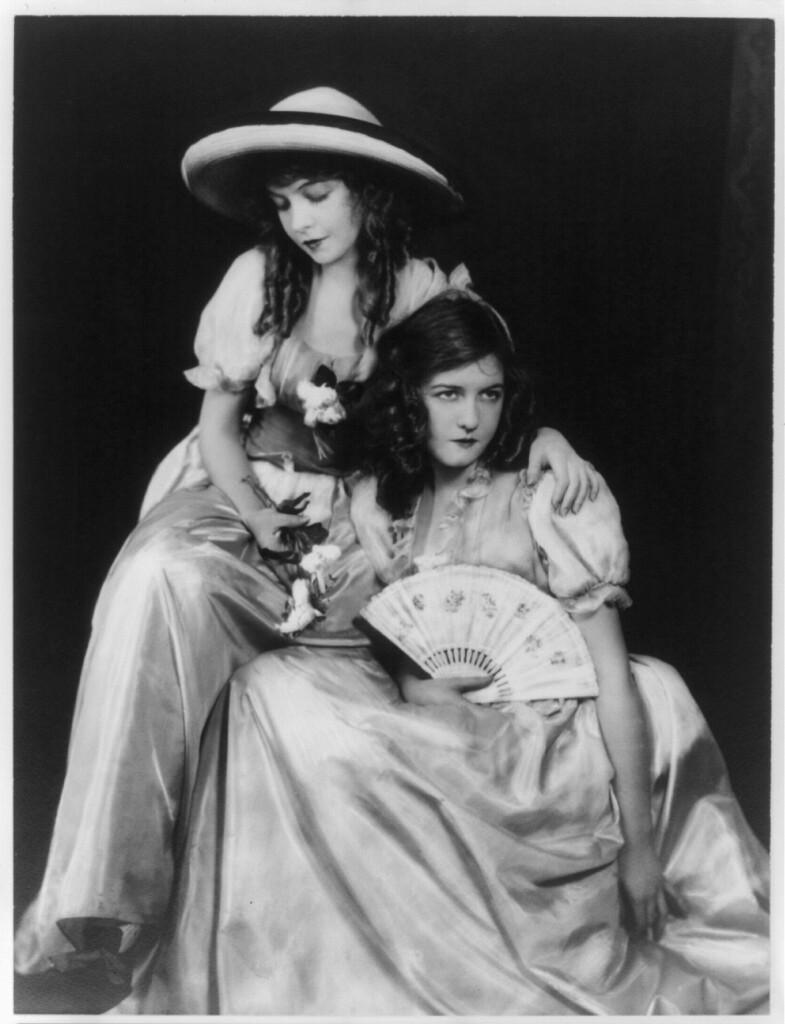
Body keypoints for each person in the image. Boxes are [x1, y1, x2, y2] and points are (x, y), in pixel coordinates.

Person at [14, 88, 597, 1011]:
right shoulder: (259, 278)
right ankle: (99, 917)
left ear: (368, 192)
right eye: (285, 201)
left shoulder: (418, 288)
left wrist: (548, 438)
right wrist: (256, 517)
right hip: (244, 491)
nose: (301, 220)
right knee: (158, 580)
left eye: (318, 195)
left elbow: (480, 387)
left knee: (367, 662)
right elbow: (218, 430)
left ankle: (313, 928)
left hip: (363, 517)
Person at [143, 290, 770, 1015]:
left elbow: (610, 677)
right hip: (440, 727)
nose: (471, 417)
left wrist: (639, 846)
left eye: (488, 394)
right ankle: (298, 971)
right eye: (447, 394)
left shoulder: (547, 497)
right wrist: (416, 678)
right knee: (265, 690)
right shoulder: (386, 500)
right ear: (411, 397)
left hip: (538, 749)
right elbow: (392, 633)